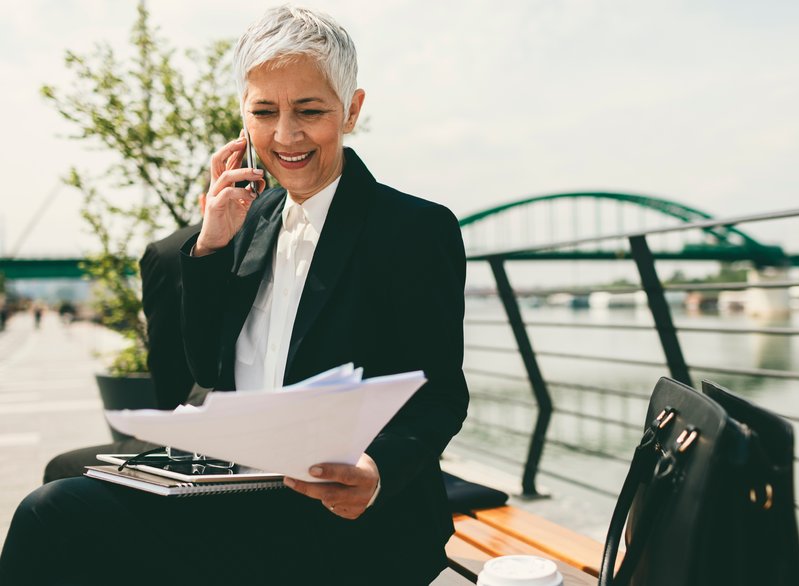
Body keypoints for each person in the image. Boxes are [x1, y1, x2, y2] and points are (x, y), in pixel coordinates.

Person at [0, 6, 468, 586]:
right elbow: (201, 371)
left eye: (310, 111)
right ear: (243, 115)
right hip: (237, 478)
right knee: (63, 471)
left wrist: (376, 469)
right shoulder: (254, 216)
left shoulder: (413, 229)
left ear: (352, 110)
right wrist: (210, 246)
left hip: (338, 509)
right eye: (264, 112)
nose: (286, 135)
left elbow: (442, 395)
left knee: (53, 514)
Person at [41, 216, 204, 483]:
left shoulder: (168, 251)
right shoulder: (277, 241)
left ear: (203, 199)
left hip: (198, 437)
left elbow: (167, 372)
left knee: (60, 470)